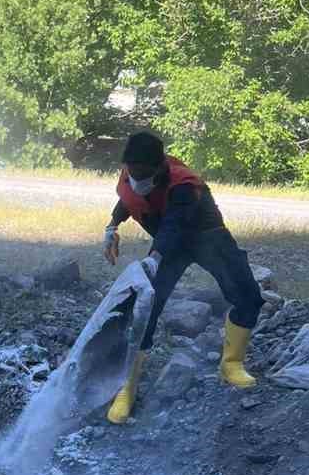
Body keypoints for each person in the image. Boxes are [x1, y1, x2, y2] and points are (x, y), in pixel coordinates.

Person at [102, 130, 264, 424]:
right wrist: (112, 226)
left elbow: (174, 227)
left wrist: (154, 258)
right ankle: (126, 388)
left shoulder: (183, 185)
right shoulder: (131, 176)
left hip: (207, 237)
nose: (136, 178)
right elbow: (129, 200)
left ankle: (231, 365)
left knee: (248, 296)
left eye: (143, 173)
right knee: (146, 306)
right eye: (132, 171)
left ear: (160, 167)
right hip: (168, 246)